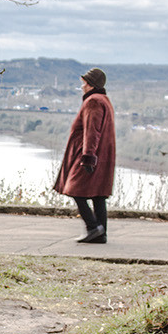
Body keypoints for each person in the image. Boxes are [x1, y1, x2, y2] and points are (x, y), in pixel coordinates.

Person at [54, 67, 116, 244]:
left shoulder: (93, 102)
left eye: (84, 83)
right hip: (103, 156)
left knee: (75, 189)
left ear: (91, 84)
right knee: (98, 194)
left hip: (89, 155)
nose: (82, 87)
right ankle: (100, 234)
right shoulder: (104, 100)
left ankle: (93, 227)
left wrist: (87, 156)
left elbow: (92, 131)